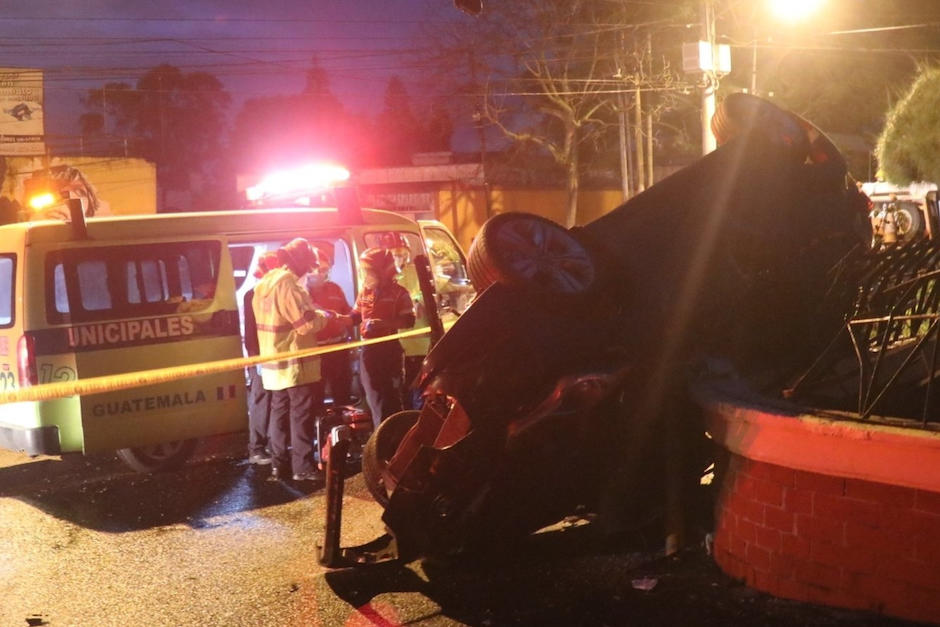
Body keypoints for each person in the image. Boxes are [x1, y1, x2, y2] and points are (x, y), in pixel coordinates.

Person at [253, 238, 352, 481]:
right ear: (299, 262)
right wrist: (326, 316)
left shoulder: (266, 282)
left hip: (274, 363)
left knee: (279, 415)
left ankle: (279, 467)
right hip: (296, 364)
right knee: (301, 415)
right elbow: (306, 325)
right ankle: (303, 467)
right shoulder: (289, 285)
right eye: (308, 264)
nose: (310, 270)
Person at [354, 247, 416, 429]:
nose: (366, 275)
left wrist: (384, 324)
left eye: (369, 270)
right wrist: (335, 319)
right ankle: (380, 444)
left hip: (390, 351)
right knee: (376, 400)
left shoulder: (399, 293)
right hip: (368, 352)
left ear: (382, 271)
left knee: (393, 400)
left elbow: (408, 320)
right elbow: (355, 315)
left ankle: (396, 441)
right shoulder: (365, 291)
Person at [305, 243, 354, 405]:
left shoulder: (335, 289)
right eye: (317, 269)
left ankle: (342, 423)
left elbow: (348, 315)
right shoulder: (301, 294)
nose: (320, 274)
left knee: (342, 392)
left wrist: (352, 343)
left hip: (338, 348)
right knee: (315, 395)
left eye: (324, 270)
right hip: (314, 350)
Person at [244, 251, 280, 466]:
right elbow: (251, 331)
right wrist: (256, 358)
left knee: (272, 401)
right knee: (261, 400)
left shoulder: (263, 292)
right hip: (261, 355)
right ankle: (256, 449)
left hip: (270, 354)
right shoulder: (254, 294)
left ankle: (265, 446)